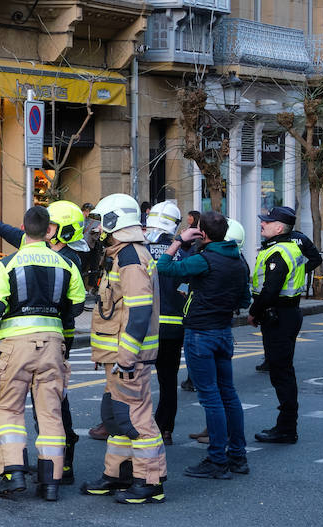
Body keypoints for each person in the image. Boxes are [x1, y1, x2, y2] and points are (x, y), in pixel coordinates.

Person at [0, 200, 88, 484]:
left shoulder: (7, 264)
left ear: (24, 230)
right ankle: (52, 480)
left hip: (15, 347)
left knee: (8, 409)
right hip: (53, 345)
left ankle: (13, 473)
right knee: (51, 412)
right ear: (48, 231)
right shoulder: (67, 263)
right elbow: (77, 304)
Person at [81, 193, 167, 504]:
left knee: (135, 418)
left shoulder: (131, 258)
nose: (96, 229)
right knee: (117, 417)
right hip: (115, 358)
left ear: (114, 223)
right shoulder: (121, 254)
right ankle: (117, 474)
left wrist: (127, 358)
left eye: (100, 223)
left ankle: (149, 480)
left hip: (128, 359)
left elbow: (139, 311)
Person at [155, 212, 252, 479]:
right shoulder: (238, 261)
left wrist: (177, 242)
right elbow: (244, 301)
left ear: (203, 234)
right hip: (223, 332)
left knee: (210, 398)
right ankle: (237, 456)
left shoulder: (204, 260)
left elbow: (163, 267)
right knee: (228, 395)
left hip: (200, 333)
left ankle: (217, 459)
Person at [249, 206, 309, 444]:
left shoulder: (279, 252)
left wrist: (254, 311)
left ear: (279, 228)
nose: (262, 224)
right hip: (286, 314)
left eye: (267, 222)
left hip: (279, 316)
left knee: (281, 373)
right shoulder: (288, 248)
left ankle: (286, 428)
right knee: (283, 371)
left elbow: (271, 289)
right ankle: (286, 425)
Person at [144, 200, 186, 446]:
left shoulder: (141, 251)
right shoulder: (183, 252)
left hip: (145, 326)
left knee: (135, 379)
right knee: (168, 381)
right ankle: (165, 428)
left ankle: (133, 426)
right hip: (174, 327)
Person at [255, 222, 321, 373]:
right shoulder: (293, 238)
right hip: (287, 299)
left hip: (281, 298)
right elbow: (316, 259)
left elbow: (316, 259)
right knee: (277, 333)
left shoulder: (291, 240)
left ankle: (276, 362)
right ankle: (272, 360)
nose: (264, 224)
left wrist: (297, 270)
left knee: (278, 333)